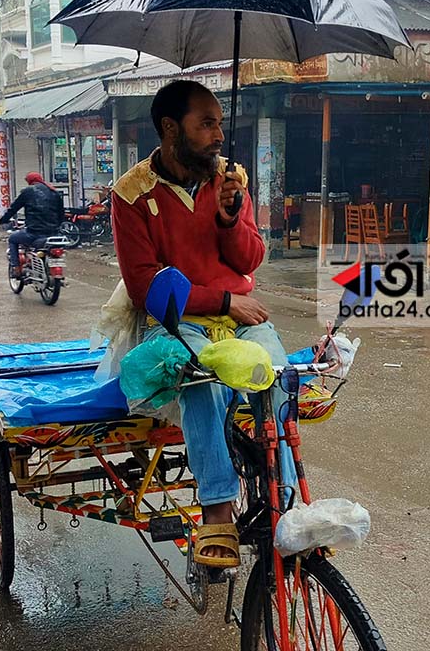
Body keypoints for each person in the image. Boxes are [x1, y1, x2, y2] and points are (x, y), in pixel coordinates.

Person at [110, 80, 293, 569]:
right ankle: (217, 510)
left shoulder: (230, 179)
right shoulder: (131, 193)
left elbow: (252, 258)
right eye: (206, 123)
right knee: (200, 379)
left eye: (219, 123)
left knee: (278, 377)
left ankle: (288, 500)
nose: (218, 134)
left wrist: (231, 218)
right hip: (175, 322)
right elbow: (145, 286)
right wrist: (224, 302)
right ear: (171, 129)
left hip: (239, 311)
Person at [0, 172, 64, 274]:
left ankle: (16, 268)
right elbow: (61, 213)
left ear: (30, 181)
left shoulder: (28, 192)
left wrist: (3, 220)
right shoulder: (53, 192)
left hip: (34, 233)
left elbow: (14, 208)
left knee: (13, 239)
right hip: (53, 233)